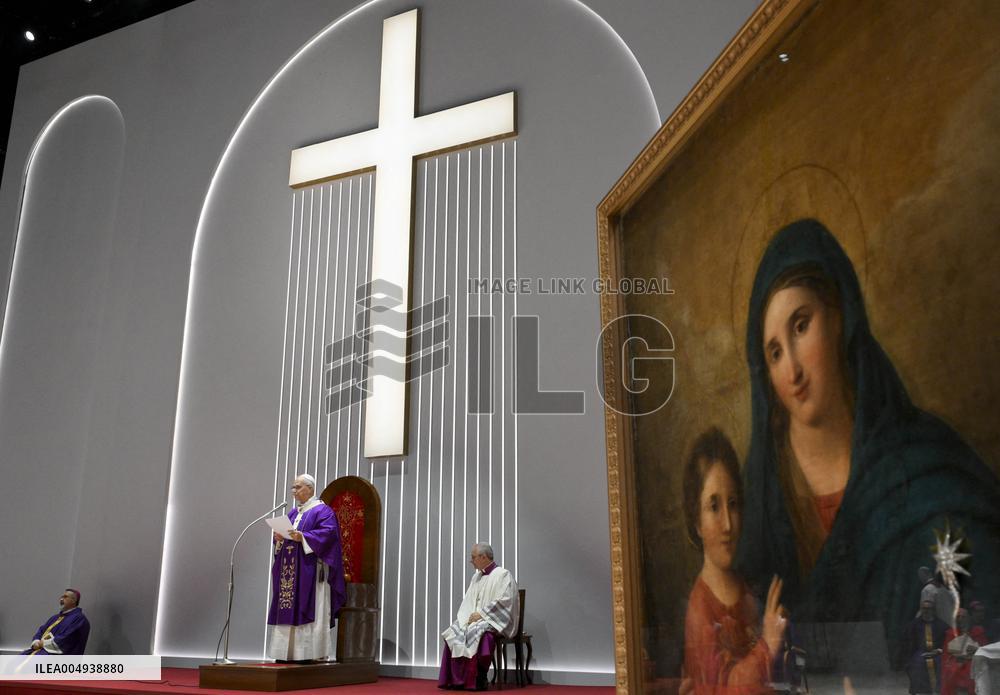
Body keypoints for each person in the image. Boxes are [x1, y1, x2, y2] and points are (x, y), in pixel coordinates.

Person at [735, 219, 1000, 659]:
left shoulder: (928, 468)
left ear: (840, 315)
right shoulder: (765, 500)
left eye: (801, 326)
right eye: (775, 352)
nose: (793, 370)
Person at [682, 427, 786, 694]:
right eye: (714, 506)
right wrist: (769, 643)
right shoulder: (700, 610)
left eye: (733, 504)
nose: (728, 524)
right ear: (696, 521)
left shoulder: (747, 588)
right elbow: (722, 690)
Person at [267, 473, 347, 662]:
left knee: (309, 606)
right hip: (290, 571)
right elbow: (285, 536)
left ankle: (309, 654)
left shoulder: (323, 511)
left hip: (310, 571)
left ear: (310, 488)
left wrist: (303, 537)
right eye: (293, 488)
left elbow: (328, 535)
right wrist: (278, 538)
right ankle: (284, 654)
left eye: (298, 487)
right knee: (287, 606)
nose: (294, 491)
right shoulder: (294, 513)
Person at [439, 543, 518, 691]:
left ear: (483, 557)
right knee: (454, 631)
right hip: (476, 618)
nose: (471, 561)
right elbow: (468, 600)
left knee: (481, 633)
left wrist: (481, 614)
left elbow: (505, 600)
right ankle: (457, 681)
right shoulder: (476, 576)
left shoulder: (503, 574)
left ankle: (478, 678)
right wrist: (467, 618)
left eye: (473, 557)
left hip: (492, 619)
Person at [21, 589, 90, 655]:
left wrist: (42, 644)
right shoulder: (55, 618)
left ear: (74, 600)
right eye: (61, 597)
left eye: (65, 597)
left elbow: (66, 640)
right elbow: (42, 630)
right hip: (42, 651)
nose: (61, 599)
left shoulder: (79, 619)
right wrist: (36, 642)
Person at [903, 600, 949, 694]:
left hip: (937, 653)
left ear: (933, 610)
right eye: (924, 608)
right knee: (916, 664)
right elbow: (908, 642)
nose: (926, 611)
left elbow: (948, 642)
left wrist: (939, 650)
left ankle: (939, 691)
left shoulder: (942, 625)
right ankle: (919, 691)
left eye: (929, 608)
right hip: (920, 652)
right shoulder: (913, 625)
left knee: (941, 664)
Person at [941, 608, 987, 695]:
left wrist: (977, 650)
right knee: (952, 670)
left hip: (974, 661)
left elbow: (984, 649)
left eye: (963, 617)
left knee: (971, 670)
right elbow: (946, 654)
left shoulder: (978, 631)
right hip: (956, 661)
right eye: (958, 617)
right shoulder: (950, 633)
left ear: (968, 618)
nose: (960, 619)